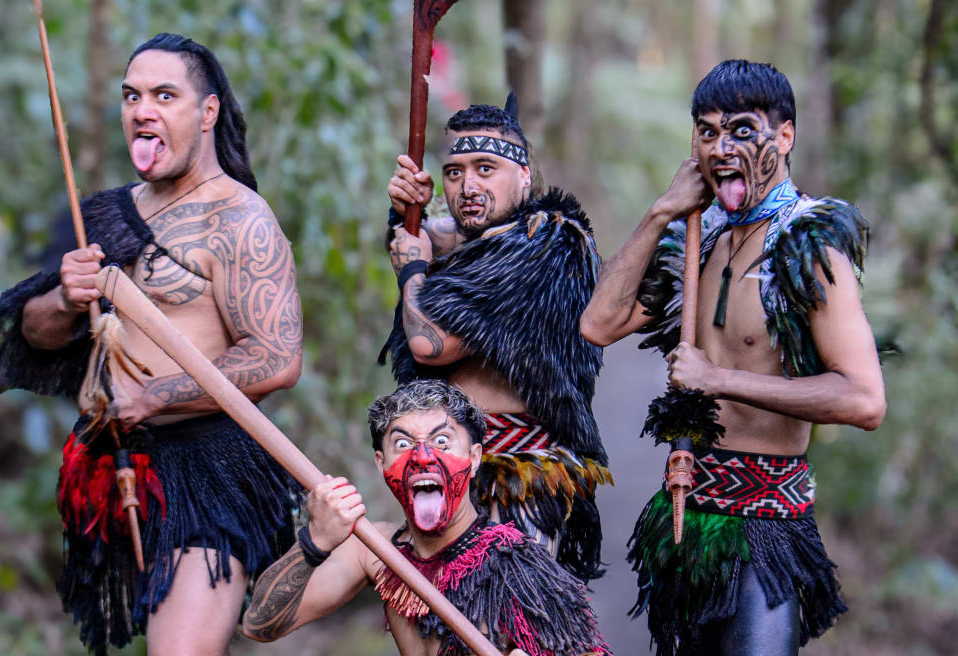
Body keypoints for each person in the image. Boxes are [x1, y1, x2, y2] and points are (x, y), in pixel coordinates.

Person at [0, 33, 302, 654]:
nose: (142, 109)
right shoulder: (108, 212)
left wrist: (156, 395)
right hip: (116, 468)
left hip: (206, 467)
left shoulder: (239, 220)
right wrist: (64, 298)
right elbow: (38, 334)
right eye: (132, 96)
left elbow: (276, 356)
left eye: (164, 95)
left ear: (206, 113)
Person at [580, 59, 886, 655]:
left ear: (786, 135)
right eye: (707, 131)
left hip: (768, 522)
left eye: (742, 130)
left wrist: (719, 378)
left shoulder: (809, 246)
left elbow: (864, 398)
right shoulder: (697, 238)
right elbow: (599, 324)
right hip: (691, 518)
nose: (721, 148)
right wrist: (662, 210)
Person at [381, 96, 611, 582]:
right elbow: (438, 236)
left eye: (486, 168)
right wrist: (406, 212)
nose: (468, 186)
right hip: (450, 476)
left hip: (515, 484)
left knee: (508, 638)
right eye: (454, 172)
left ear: (524, 175)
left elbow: (431, 344)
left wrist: (412, 269)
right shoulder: (488, 240)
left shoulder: (546, 243)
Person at [241, 379, 611, 656]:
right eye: (403, 444)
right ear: (380, 463)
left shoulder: (516, 566)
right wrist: (315, 540)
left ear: (475, 456)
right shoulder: (373, 549)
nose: (422, 457)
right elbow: (260, 624)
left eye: (442, 442)